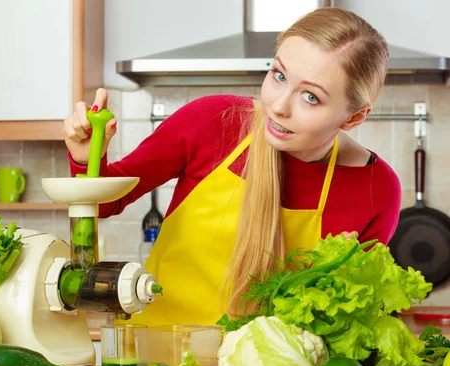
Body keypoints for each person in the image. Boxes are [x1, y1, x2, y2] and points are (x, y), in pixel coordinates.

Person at [62, 7, 400, 326]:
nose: (279, 106)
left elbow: (350, 313)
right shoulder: (211, 122)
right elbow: (106, 202)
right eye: (279, 75)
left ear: (354, 117)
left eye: (310, 97)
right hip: (160, 361)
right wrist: (84, 156)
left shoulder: (376, 189)